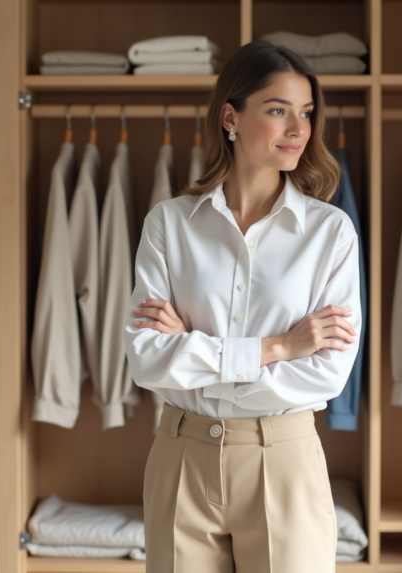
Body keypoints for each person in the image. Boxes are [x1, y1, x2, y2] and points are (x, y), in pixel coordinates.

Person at [123, 40, 362, 572]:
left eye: (305, 113)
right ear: (230, 116)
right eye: (278, 111)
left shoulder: (331, 234)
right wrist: (279, 347)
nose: (298, 129)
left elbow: (326, 375)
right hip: (181, 457)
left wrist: (192, 353)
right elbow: (146, 359)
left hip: (283, 459)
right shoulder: (169, 224)